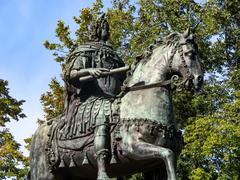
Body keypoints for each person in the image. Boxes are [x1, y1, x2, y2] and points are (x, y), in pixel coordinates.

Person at [61, 13, 126, 179]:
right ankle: (102, 170)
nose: (106, 30)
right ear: (96, 29)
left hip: (116, 99)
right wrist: (89, 70)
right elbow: (71, 74)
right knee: (102, 114)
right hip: (92, 100)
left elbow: (124, 79)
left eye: (107, 27)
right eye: (103, 27)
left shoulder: (115, 55)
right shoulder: (85, 51)